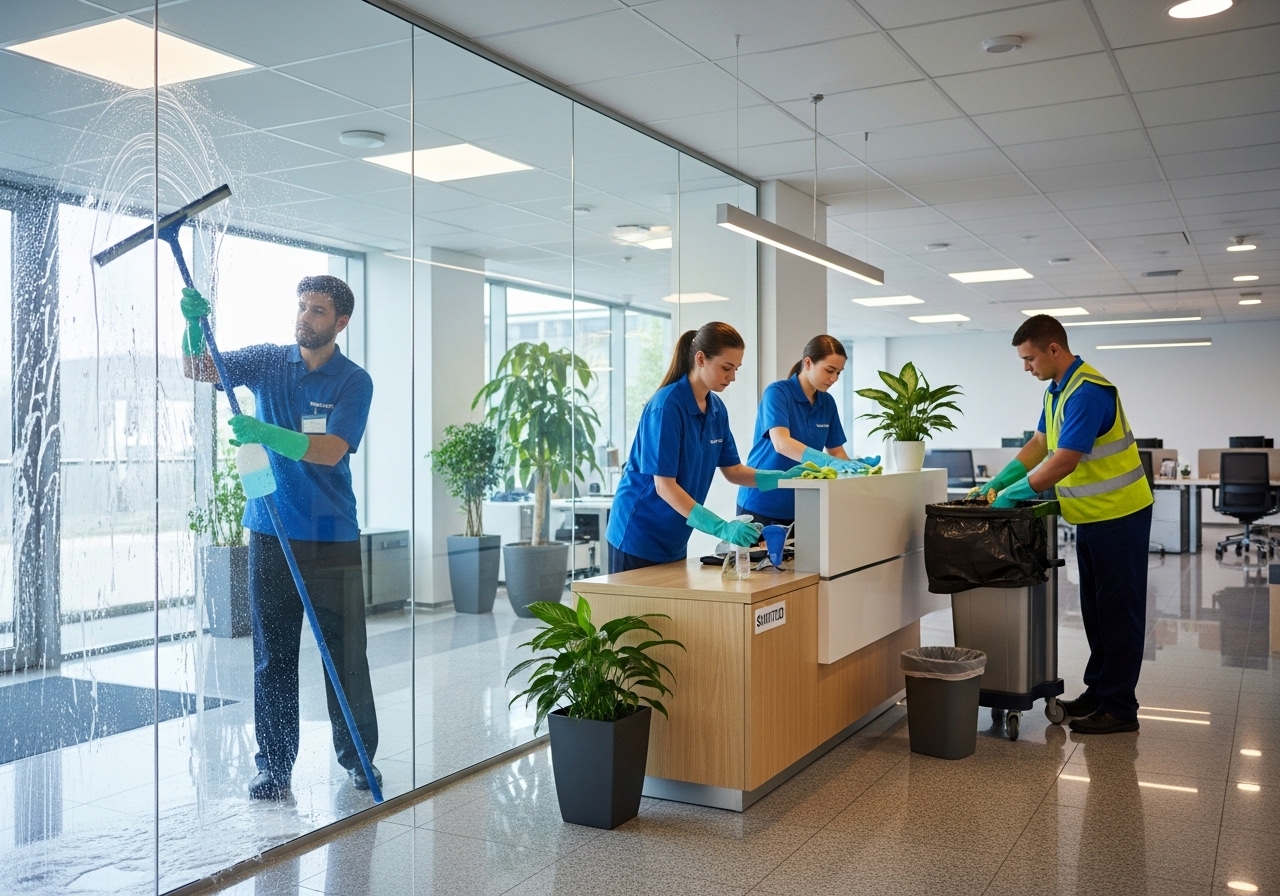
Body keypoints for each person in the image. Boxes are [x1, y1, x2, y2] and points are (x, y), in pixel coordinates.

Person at [181, 275, 380, 797]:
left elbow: (331, 449)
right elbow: (201, 370)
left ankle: (358, 756)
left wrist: (266, 434)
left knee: (345, 653)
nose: (304, 319)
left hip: (331, 534)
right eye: (301, 308)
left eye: (317, 311)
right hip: (270, 531)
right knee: (273, 655)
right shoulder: (269, 360)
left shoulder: (353, 381)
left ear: (340, 322)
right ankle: (273, 765)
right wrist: (191, 327)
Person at [978, 314, 1153, 735]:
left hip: (1121, 514)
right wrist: (1001, 479)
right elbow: (1040, 444)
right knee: (1095, 610)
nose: (1026, 367)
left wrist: (1016, 494)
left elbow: (1065, 459)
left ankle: (1120, 707)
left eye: (1030, 358)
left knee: (1119, 611)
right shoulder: (1057, 391)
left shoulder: (1089, 391)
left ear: (1054, 349)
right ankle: (1099, 691)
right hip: (1091, 516)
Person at [605, 322, 805, 573]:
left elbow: (733, 471)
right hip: (638, 533)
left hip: (675, 535)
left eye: (736, 369)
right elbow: (664, 486)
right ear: (700, 358)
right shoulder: (666, 407)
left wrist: (782, 478)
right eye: (726, 368)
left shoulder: (716, 409)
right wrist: (721, 527)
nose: (732, 377)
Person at [736, 335, 865, 527]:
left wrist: (857, 471)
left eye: (839, 373)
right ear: (808, 362)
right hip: (762, 502)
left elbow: (836, 451)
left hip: (803, 505)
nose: (834, 379)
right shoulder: (778, 392)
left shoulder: (827, 403)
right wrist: (828, 462)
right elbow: (782, 443)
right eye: (829, 370)